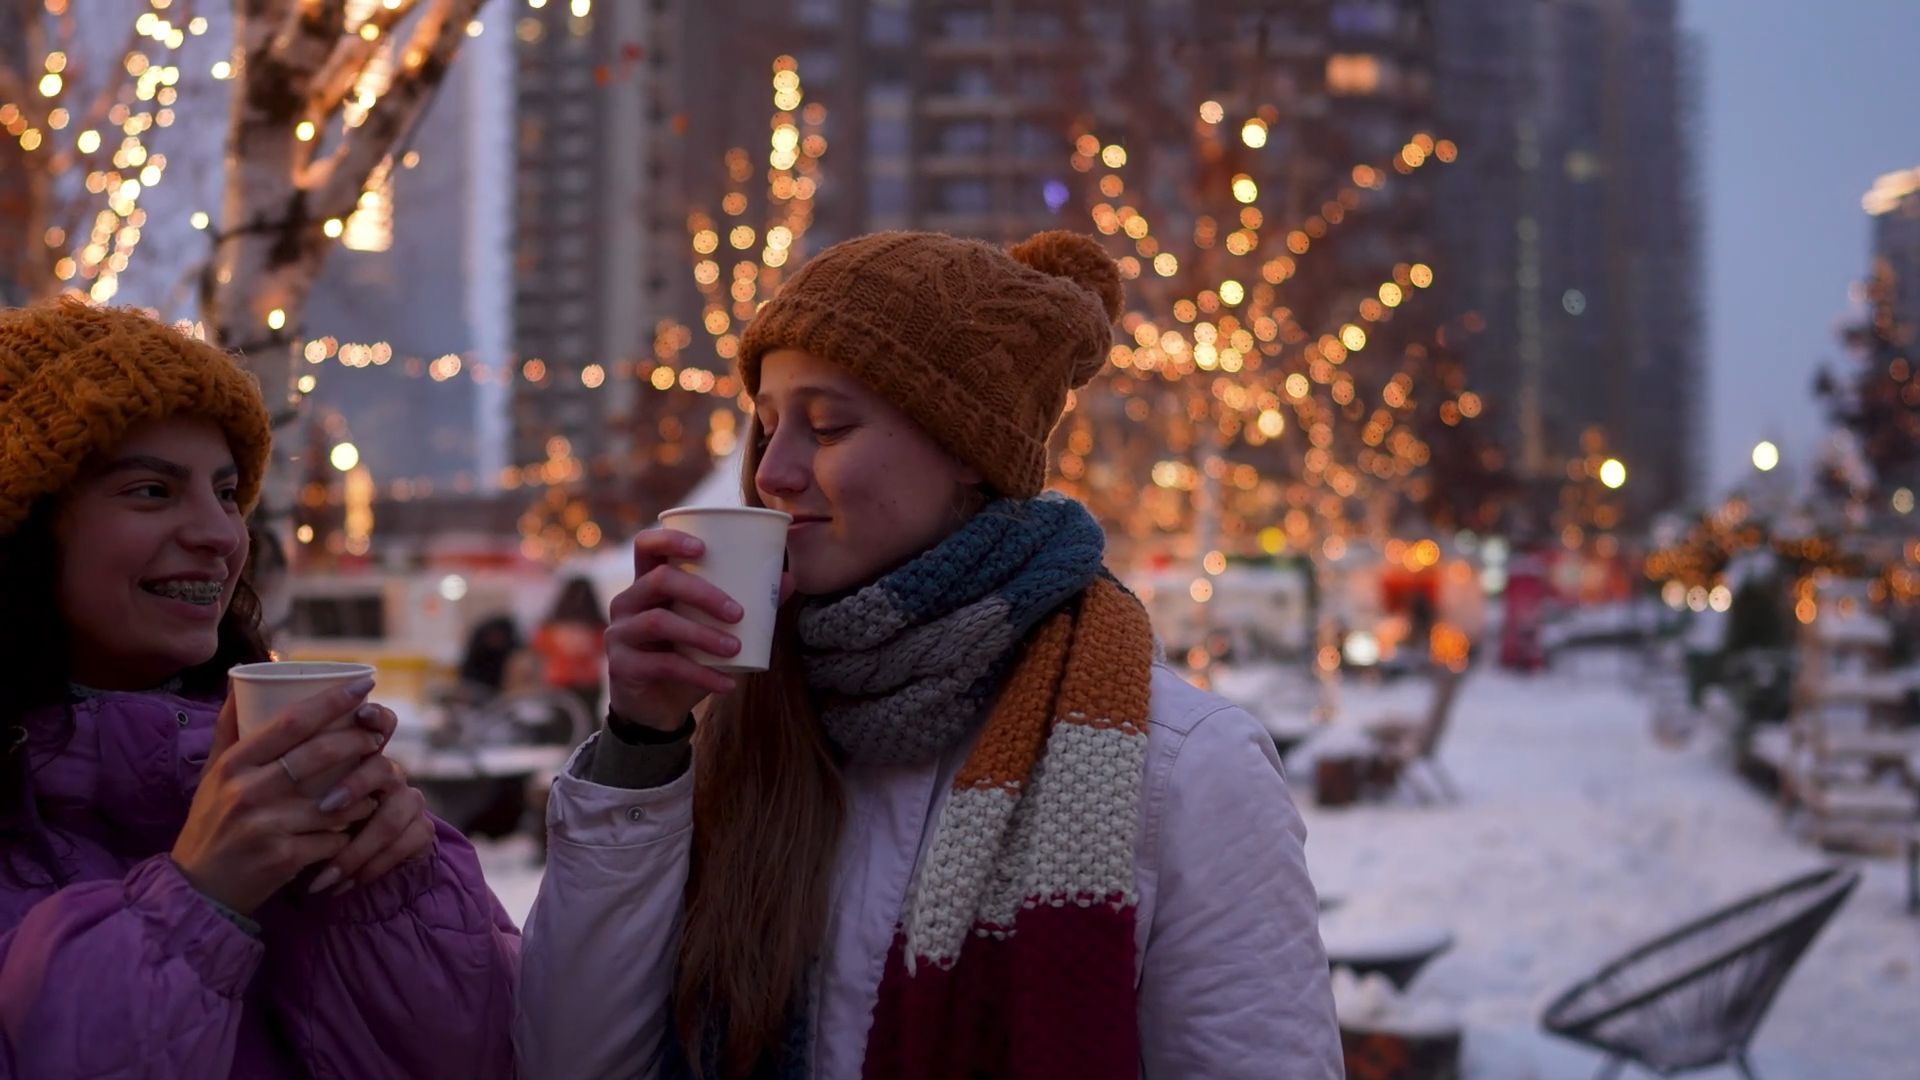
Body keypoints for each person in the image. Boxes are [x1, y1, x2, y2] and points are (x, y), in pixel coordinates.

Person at [515, 231, 1342, 1078]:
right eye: (765, 428)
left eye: (828, 426)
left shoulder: (1185, 766)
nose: (774, 473)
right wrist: (643, 746)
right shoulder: (738, 728)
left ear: (966, 452)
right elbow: (569, 1062)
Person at [0, 299, 519, 1078]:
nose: (220, 533)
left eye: (226, 491)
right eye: (151, 490)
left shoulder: (268, 774)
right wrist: (198, 898)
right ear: (24, 525)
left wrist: (387, 892)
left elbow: (488, 1055)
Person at [532, 576, 609, 718]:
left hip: (576, 682)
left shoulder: (550, 626)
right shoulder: (597, 627)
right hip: (568, 682)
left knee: (573, 721)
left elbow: (539, 648)